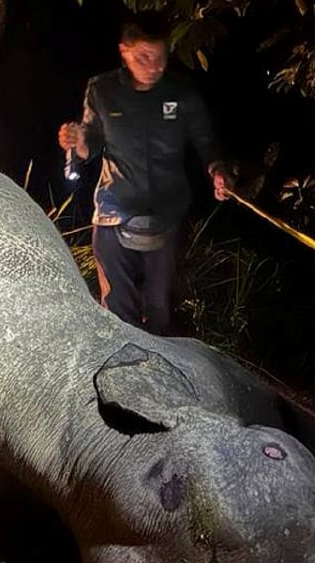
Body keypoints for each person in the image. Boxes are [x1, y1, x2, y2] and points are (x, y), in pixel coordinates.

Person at [57, 10, 235, 336]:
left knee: (160, 311)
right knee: (116, 316)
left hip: (166, 214)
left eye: (161, 57)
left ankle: (161, 371)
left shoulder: (181, 93)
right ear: (124, 52)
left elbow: (205, 141)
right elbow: (91, 143)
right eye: (144, 57)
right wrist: (78, 141)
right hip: (114, 212)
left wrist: (217, 170)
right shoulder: (102, 89)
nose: (155, 67)